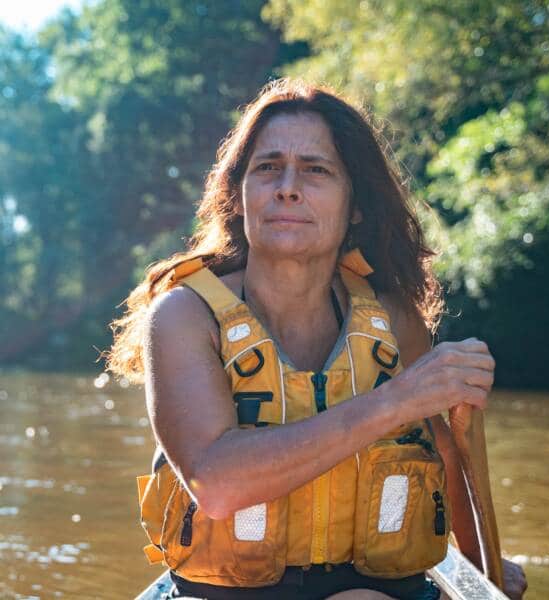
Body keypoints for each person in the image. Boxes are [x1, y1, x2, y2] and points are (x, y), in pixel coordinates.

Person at [108, 78, 527, 599]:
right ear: (239, 197)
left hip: (376, 585)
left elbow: (438, 449)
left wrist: (479, 570)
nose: (287, 186)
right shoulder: (184, 315)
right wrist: (395, 400)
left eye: (316, 170)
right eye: (268, 168)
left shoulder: (392, 321)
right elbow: (215, 484)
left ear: (355, 205)